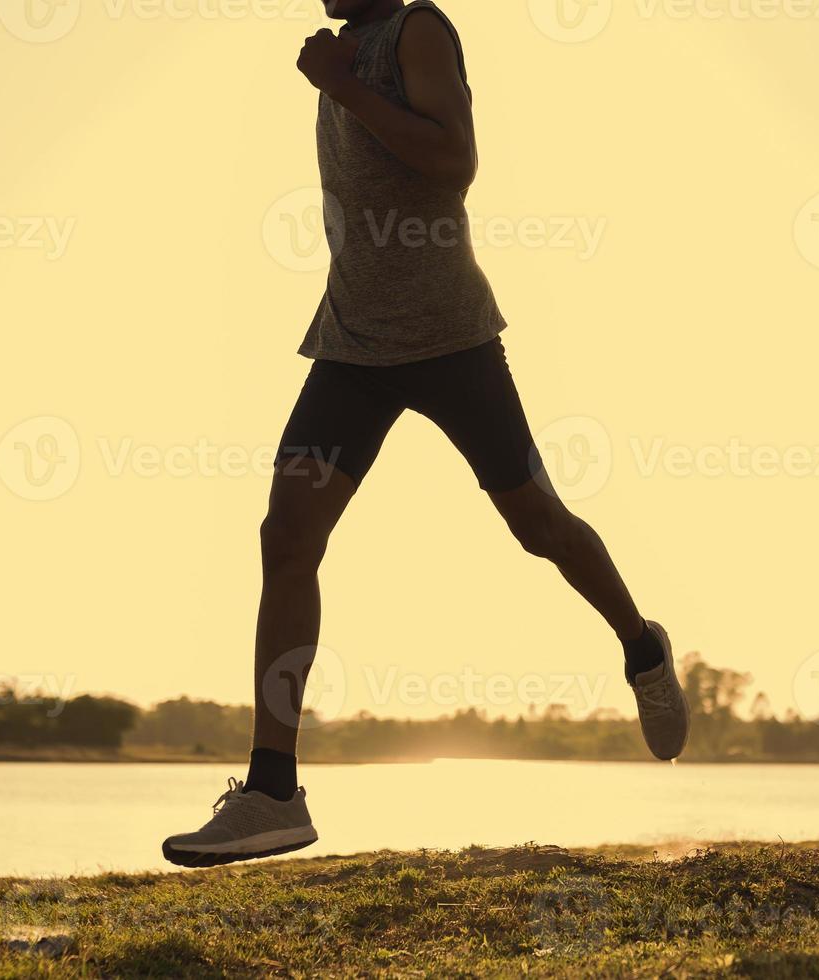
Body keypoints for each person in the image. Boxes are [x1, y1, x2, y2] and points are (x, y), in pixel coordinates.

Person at [162, 0, 688, 869]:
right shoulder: (342, 51)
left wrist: (342, 87)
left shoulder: (417, 30)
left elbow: (452, 161)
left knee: (538, 527)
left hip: (449, 340)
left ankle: (641, 645)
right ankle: (271, 791)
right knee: (286, 537)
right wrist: (335, 77)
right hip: (352, 345)